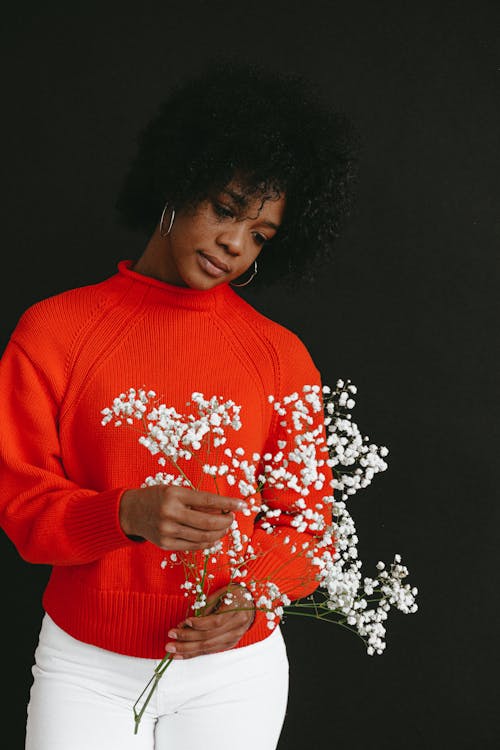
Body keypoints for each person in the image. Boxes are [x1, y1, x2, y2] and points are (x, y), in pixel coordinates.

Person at [0, 60, 358, 749]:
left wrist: (255, 595)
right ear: (177, 180)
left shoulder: (279, 356)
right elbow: (21, 509)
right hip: (86, 665)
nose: (234, 243)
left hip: (234, 672)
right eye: (226, 209)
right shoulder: (55, 333)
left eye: (260, 235)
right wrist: (125, 513)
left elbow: (307, 526)